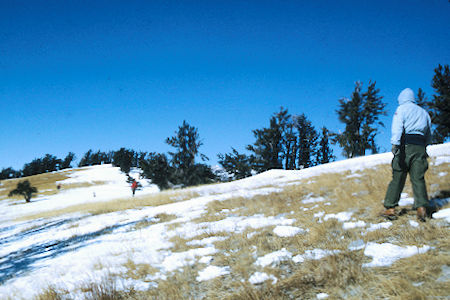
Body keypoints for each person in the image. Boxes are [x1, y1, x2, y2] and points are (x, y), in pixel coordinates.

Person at [382, 88, 432, 222]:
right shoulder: (424, 112)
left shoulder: (402, 109)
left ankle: (390, 208)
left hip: (405, 146)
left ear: (401, 98)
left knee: (398, 176)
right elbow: (428, 133)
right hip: (420, 147)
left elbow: (397, 127)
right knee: (418, 178)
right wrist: (424, 146)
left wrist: (395, 144)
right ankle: (422, 208)